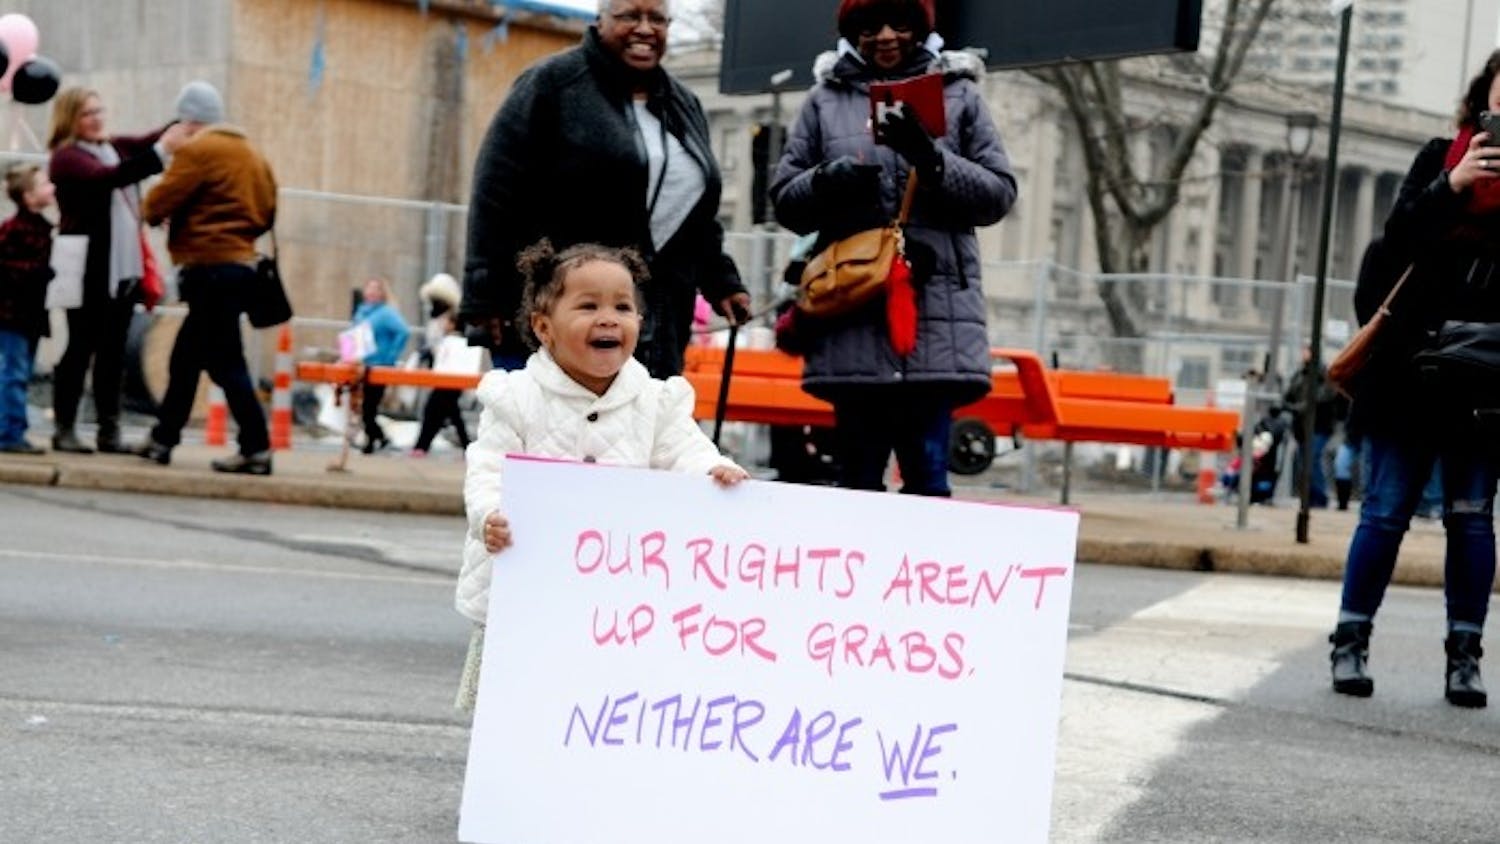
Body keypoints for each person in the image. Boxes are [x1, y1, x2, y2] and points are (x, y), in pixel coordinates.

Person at [454, 240, 748, 710]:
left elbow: (685, 451)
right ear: (544, 327)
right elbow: (487, 469)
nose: (609, 317)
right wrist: (490, 514)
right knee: (517, 706)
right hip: (526, 591)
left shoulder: (656, 401)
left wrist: (716, 471)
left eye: (623, 306)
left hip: (615, 604)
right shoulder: (515, 398)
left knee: (600, 701)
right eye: (588, 305)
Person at [768, 0, 1017, 496]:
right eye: (869, 26)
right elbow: (786, 202)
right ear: (852, 33)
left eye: (899, 24)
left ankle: (919, 574)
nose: (885, 36)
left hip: (937, 322)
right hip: (853, 316)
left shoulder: (960, 95)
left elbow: (998, 196)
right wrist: (828, 180)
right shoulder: (824, 101)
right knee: (857, 485)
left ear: (921, 29)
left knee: (928, 483)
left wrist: (932, 159)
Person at [1327, 53, 1500, 708]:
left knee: (1473, 520)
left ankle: (1465, 658)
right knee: (1384, 511)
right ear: (1484, 97)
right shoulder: (1439, 157)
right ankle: (1350, 641)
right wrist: (1453, 182)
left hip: (1486, 386)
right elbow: (1397, 240)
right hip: (1410, 375)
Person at [459, 0, 750, 379]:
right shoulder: (552, 85)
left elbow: (697, 216)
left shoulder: (684, 105)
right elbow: (494, 191)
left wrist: (723, 281)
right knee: (555, 436)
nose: (645, 28)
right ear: (600, 21)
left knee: (639, 434)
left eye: (658, 19)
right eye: (630, 16)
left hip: (657, 322)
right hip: (558, 316)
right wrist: (484, 296)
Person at [135, 81, 278, 475]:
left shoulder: (197, 150)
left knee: (226, 361)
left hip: (206, 268)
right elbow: (266, 212)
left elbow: (157, 203)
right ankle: (163, 438)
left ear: (189, 120)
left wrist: (174, 215)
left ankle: (256, 446)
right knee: (188, 358)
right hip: (240, 267)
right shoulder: (252, 155)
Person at [46, 87, 190, 454]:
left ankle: (108, 430)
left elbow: (147, 140)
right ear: (70, 119)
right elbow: (108, 178)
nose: (96, 118)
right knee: (80, 348)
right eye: (86, 113)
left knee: (112, 353)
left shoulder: (115, 147)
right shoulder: (67, 159)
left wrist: (186, 120)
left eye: (99, 110)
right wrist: (162, 152)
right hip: (86, 270)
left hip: (123, 270)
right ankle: (64, 427)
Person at [0, 165, 57, 455]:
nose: (52, 188)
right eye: (45, 184)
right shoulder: (15, 229)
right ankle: (9, 431)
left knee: (19, 370)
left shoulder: (41, 228)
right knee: (15, 371)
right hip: (14, 314)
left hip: (29, 313)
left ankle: (13, 428)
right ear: (29, 195)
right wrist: (37, 271)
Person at [411, 272, 470, 456]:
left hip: (452, 370)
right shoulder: (436, 318)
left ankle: (421, 446)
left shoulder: (454, 318)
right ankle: (466, 446)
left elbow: (455, 343)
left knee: (433, 409)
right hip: (441, 370)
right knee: (452, 412)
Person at [350, 277, 411, 453]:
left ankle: (378, 437)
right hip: (360, 365)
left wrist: (390, 357)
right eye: (369, 287)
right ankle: (372, 440)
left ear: (382, 293)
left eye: (376, 289)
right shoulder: (361, 312)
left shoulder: (386, 313)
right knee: (363, 407)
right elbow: (354, 335)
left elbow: (403, 332)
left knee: (369, 407)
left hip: (378, 366)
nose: (371, 292)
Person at [1282, 345, 1340, 508]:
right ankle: (1310, 495)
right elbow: (1288, 395)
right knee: (1303, 461)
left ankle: (1320, 495)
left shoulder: (1323, 374)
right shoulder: (1299, 375)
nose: (1304, 354)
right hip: (1301, 427)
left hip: (1319, 425)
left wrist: (1300, 406)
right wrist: (1291, 406)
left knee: (1313, 458)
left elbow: (1323, 397)